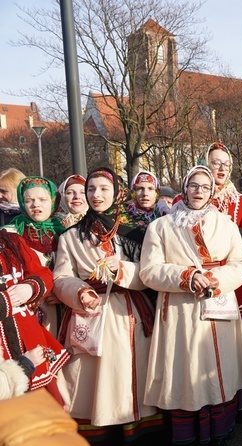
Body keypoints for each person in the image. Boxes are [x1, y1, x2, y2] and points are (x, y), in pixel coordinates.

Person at [140, 165, 242, 445]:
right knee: (185, 369)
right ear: (184, 187)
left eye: (205, 186)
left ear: (212, 191)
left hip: (218, 304)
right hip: (180, 311)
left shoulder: (226, 224)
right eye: (194, 185)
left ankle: (219, 429)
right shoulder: (160, 227)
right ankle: (187, 433)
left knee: (217, 367)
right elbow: (149, 271)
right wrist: (186, 276)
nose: (199, 191)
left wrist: (214, 279)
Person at [52, 167, 161, 443]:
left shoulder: (136, 234)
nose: (96, 195)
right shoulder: (70, 236)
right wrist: (80, 292)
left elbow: (149, 274)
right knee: (94, 376)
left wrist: (123, 270)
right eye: (91, 189)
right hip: (90, 314)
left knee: (130, 371)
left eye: (103, 189)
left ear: (118, 193)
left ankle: (137, 430)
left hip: (129, 312)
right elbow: (62, 277)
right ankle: (99, 431)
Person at [203, 142, 242, 423]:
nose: (221, 168)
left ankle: (238, 399)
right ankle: (209, 397)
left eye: (226, 163)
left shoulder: (238, 200)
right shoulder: (193, 195)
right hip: (203, 281)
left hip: (234, 282)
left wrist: (236, 233)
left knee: (238, 342)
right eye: (216, 162)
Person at [0, 228, 70, 404]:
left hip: (28, 337)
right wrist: (5, 301)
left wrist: (30, 288)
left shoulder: (11, 241)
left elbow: (43, 274)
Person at [3, 177, 66, 336]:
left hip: (64, 307)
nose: (35, 204)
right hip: (28, 308)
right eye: (29, 200)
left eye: (42, 199)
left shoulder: (66, 231)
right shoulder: (10, 234)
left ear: (53, 201)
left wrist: (62, 293)